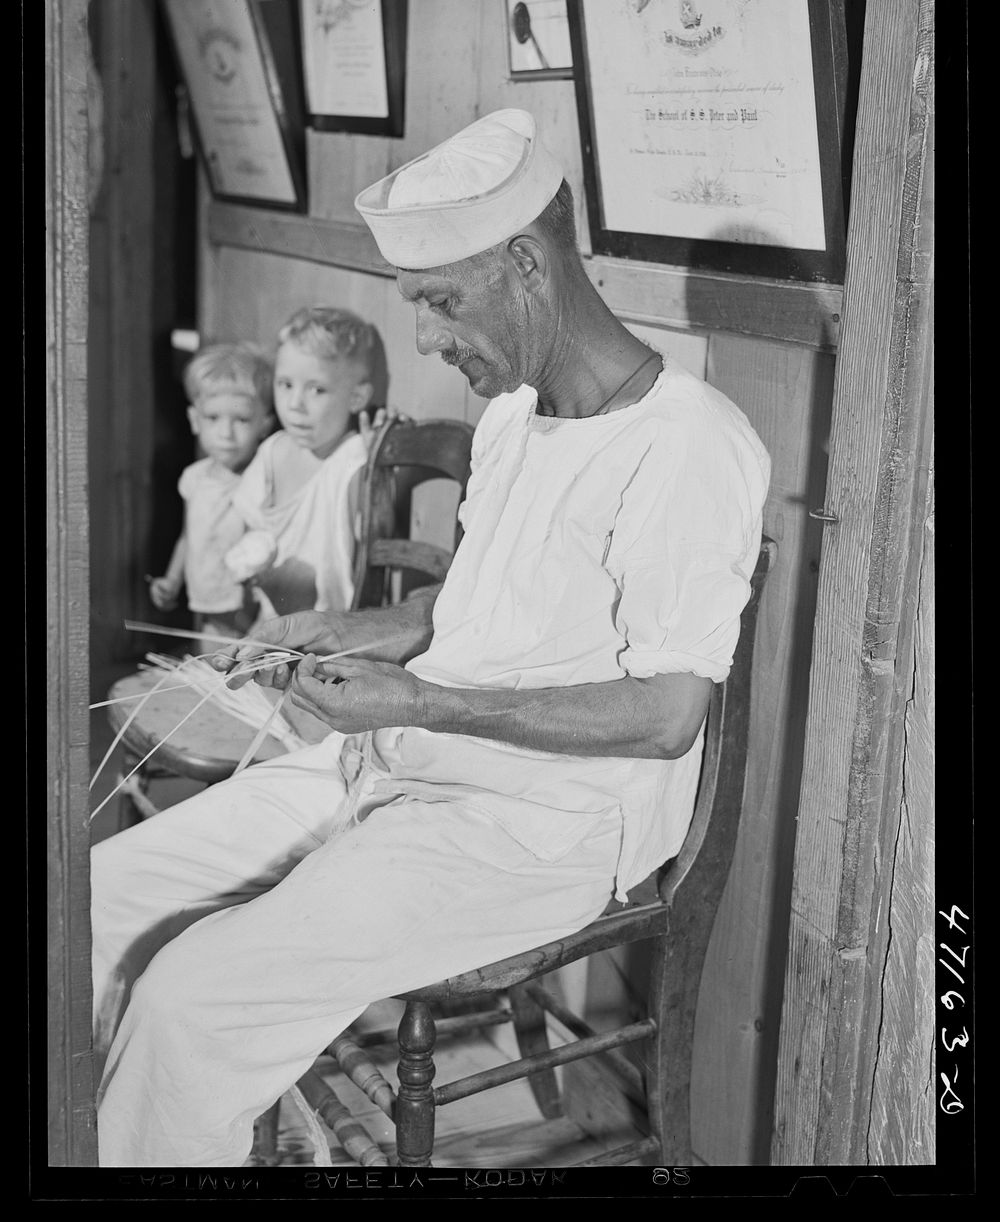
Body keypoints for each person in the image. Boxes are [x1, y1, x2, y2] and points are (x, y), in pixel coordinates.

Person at [91, 108, 771, 1168]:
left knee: (192, 1002)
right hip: (405, 760)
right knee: (93, 902)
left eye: (440, 302)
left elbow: (667, 714)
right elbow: (472, 607)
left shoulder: (688, 444)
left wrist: (421, 702)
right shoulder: (514, 413)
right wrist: (353, 629)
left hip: (537, 825)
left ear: (526, 264)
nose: (426, 338)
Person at [224, 306, 384, 620]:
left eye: (317, 389)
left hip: (327, 631)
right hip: (269, 624)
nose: (295, 404)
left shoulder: (353, 458)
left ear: (356, 398)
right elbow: (246, 529)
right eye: (285, 385)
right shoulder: (273, 450)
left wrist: (378, 446)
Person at [148, 342, 274, 651]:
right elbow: (189, 536)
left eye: (241, 420)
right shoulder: (194, 478)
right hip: (205, 593)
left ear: (264, 425)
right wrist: (172, 579)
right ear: (194, 420)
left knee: (242, 662)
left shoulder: (263, 478)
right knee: (211, 658)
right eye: (213, 418)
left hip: (248, 603)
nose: (225, 433)